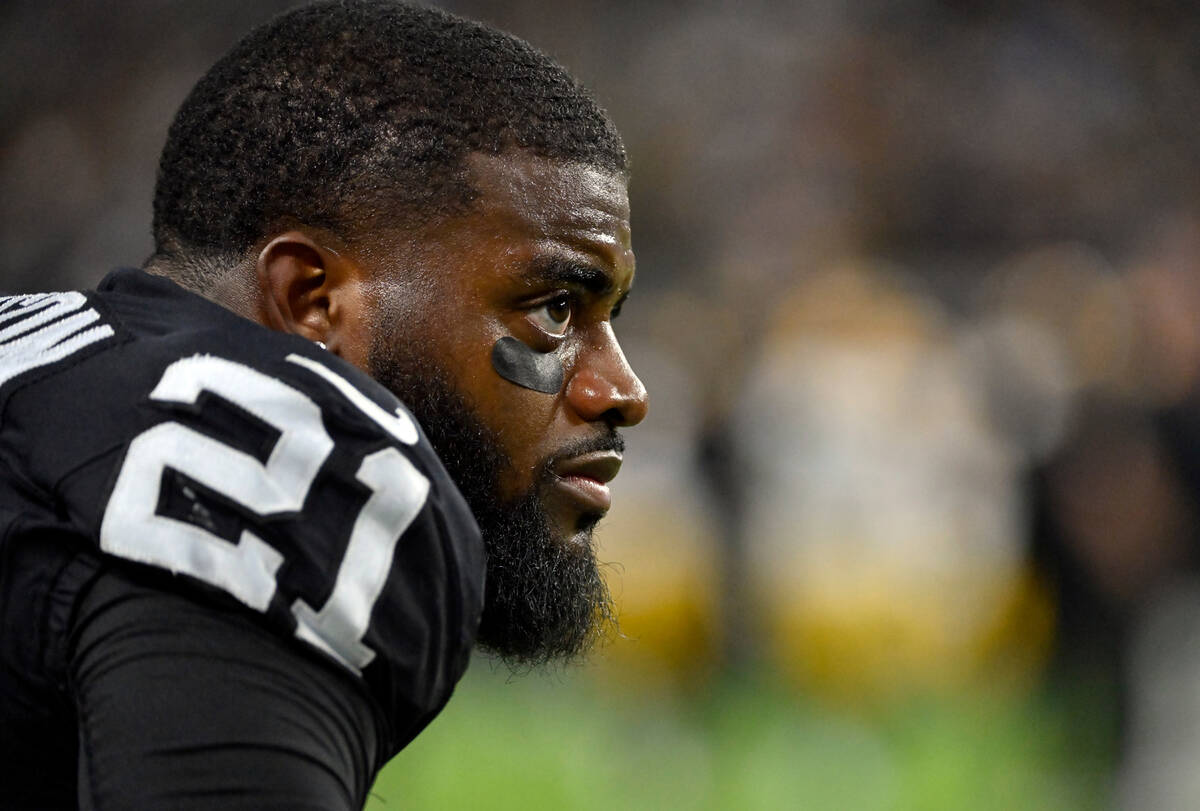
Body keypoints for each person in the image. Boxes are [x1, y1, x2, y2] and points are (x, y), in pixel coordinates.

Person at [0, 1, 648, 808]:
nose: (623, 390)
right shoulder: (278, 454)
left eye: (608, 318)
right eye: (554, 309)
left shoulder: (38, 360)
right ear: (312, 300)